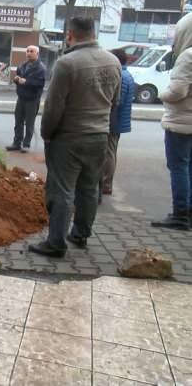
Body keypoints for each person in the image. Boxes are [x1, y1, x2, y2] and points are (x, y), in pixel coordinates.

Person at [29, 17, 121, 257]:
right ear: (93, 32)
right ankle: (80, 234)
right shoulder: (113, 62)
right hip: (99, 136)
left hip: (69, 137)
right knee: (90, 188)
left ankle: (56, 242)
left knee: (62, 190)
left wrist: (47, 134)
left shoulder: (66, 63)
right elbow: (115, 103)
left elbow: (54, 107)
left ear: (70, 34)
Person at [152, 12, 192, 230]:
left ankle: (180, 215)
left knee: (178, 166)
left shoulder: (188, 56)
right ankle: (189, 212)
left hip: (182, 121)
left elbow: (178, 91)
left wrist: (163, 94)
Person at [101, 48, 135, 197]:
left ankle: (106, 184)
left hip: (114, 120)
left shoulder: (120, 75)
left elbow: (117, 101)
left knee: (109, 152)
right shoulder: (127, 75)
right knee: (111, 151)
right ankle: (106, 183)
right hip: (119, 120)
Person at [6, 45, 47, 153]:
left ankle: (26, 144)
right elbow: (18, 76)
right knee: (18, 121)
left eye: (31, 51)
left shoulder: (41, 68)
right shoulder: (22, 65)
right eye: (27, 51)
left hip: (32, 100)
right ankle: (16, 143)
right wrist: (16, 79)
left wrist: (26, 82)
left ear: (37, 53)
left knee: (29, 123)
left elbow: (40, 83)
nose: (28, 53)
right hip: (21, 97)